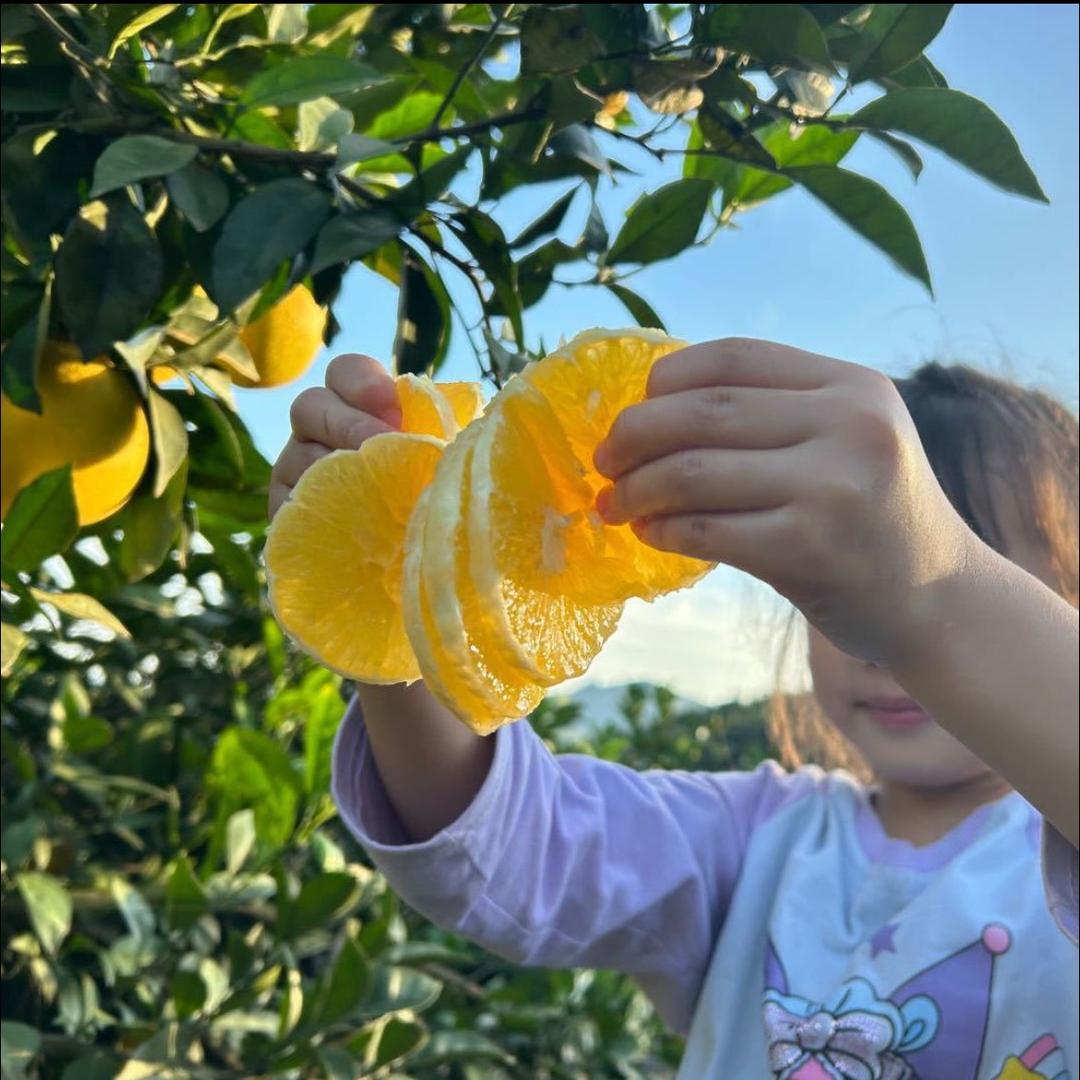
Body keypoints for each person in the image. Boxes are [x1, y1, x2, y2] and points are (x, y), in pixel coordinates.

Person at [270, 339, 1079, 1079]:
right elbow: (513, 849)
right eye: (851, 600)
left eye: (988, 567)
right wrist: (403, 566)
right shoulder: (755, 841)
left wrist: (936, 595)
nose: (882, 646)